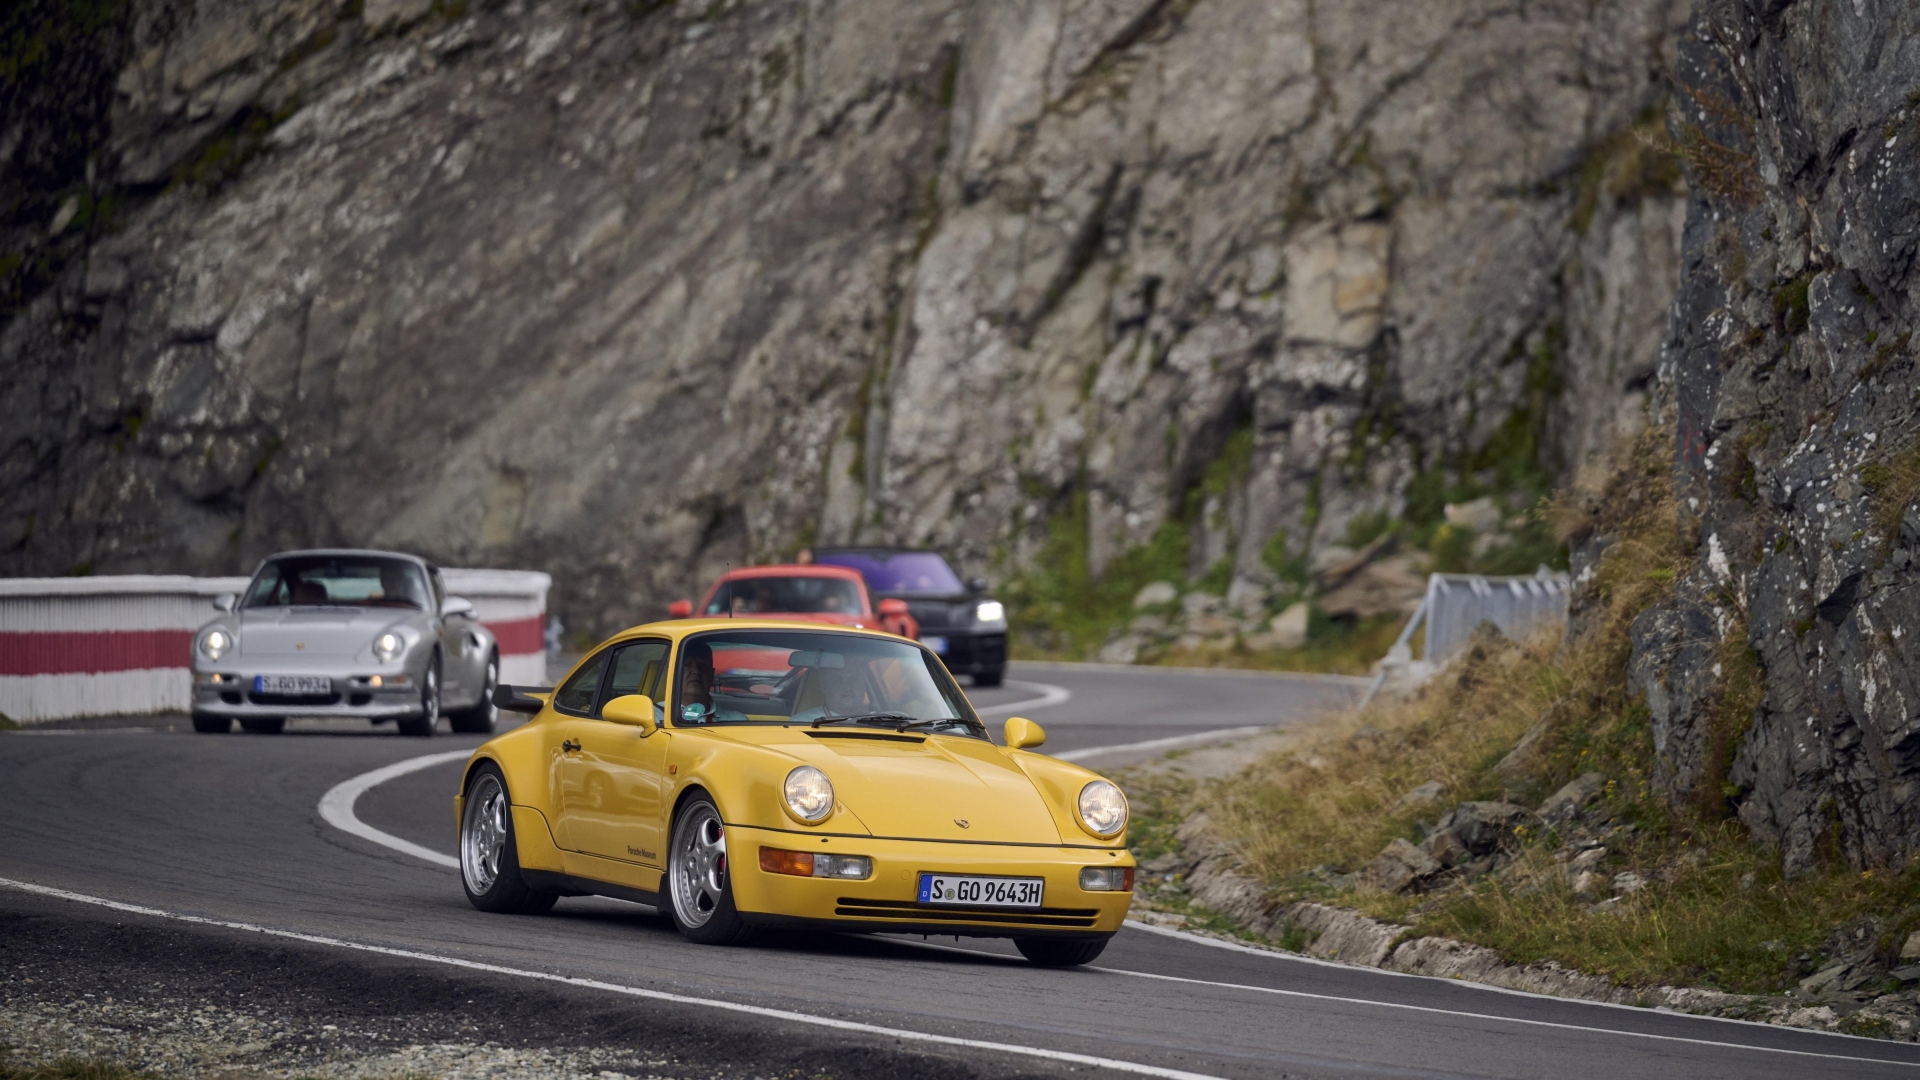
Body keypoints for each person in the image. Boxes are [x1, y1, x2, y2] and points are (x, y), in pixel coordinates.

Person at [676, 640, 748, 723]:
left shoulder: (737, 721)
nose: (696, 671)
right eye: (687, 665)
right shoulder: (662, 717)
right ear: (674, 673)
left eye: (702, 665)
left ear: (712, 674)